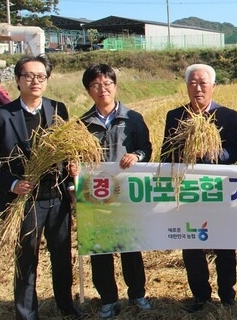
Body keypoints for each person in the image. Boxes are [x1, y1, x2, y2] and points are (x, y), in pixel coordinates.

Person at [0, 55, 83, 320]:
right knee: (26, 259)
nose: (35, 81)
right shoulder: (1, 116)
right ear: (18, 80)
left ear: (47, 80)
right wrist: (12, 184)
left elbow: (66, 152)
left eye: (41, 76)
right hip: (23, 201)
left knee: (62, 254)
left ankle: (65, 303)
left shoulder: (58, 109)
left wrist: (71, 177)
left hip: (56, 197)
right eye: (29, 76)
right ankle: (26, 312)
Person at [160, 64, 237, 312]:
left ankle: (227, 294)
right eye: (193, 83)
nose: (198, 88)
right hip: (188, 193)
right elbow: (166, 153)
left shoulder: (227, 115)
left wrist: (210, 152)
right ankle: (200, 296)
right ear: (186, 87)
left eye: (203, 83)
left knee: (224, 244)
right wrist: (185, 152)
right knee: (192, 245)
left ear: (213, 86)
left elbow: (235, 152)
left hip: (218, 191)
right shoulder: (175, 116)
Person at [79, 64, 153, 319]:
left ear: (115, 85)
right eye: (96, 85)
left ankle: (137, 294)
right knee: (101, 249)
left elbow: (146, 148)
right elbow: (75, 158)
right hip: (96, 195)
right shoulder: (83, 124)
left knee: (131, 246)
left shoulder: (132, 118)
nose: (103, 89)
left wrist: (137, 155)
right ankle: (108, 299)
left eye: (107, 84)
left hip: (126, 195)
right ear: (89, 90)